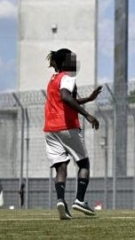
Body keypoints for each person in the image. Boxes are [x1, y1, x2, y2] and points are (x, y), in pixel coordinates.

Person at [44, 48, 102, 220]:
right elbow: (65, 97)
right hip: (66, 126)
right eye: (72, 59)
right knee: (83, 164)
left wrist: (88, 99)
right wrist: (87, 114)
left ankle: (61, 201)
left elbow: (68, 98)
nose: (75, 62)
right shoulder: (68, 78)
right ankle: (80, 200)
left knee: (61, 168)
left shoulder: (53, 78)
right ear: (64, 62)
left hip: (50, 129)